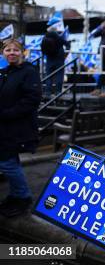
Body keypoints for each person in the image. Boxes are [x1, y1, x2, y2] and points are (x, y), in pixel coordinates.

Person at [0, 39, 42, 217]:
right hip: (5, 126)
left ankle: (23, 197)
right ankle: (16, 195)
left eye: (15, 50)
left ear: (22, 52)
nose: (11, 53)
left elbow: (32, 100)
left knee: (7, 163)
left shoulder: (29, 72)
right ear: (3, 53)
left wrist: (7, 113)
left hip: (17, 126)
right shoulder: (4, 72)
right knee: (9, 161)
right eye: (8, 50)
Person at [41, 24, 70, 96]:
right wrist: (66, 52)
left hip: (49, 59)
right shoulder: (59, 37)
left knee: (49, 76)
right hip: (59, 59)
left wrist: (46, 54)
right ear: (56, 31)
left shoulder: (45, 37)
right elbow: (67, 44)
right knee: (59, 75)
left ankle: (48, 92)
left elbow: (42, 48)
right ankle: (58, 92)